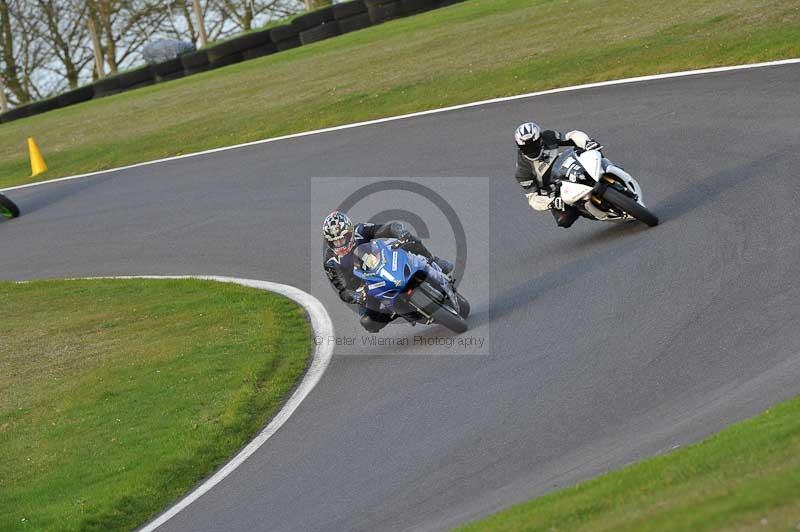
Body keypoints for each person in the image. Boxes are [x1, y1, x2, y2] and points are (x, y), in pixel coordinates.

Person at [322, 210, 453, 333]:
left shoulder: (359, 230)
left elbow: (388, 228)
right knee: (369, 323)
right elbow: (343, 289)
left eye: (342, 239)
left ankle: (433, 260)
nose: (340, 244)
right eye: (335, 242)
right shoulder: (330, 261)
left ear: (350, 233)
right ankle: (396, 311)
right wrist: (356, 295)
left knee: (409, 241)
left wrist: (401, 233)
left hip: (382, 263)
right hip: (366, 286)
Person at [514, 122, 603, 228]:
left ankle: (609, 171)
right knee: (564, 220)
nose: (531, 150)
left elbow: (571, 136)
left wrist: (586, 142)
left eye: (534, 145)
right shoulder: (522, 170)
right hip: (555, 190)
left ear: (540, 140)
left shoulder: (548, 136)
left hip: (567, 167)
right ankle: (589, 211)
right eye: (526, 148)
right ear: (520, 148)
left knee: (594, 152)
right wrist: (551, 202)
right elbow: (533, 199)